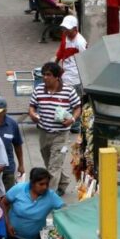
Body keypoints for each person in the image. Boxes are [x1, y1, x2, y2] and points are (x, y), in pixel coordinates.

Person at [28, 62, 79, 194]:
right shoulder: (39, 90)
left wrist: (72, 119)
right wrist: (33, 114)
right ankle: (64, 182)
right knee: (49, 163)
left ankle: (49, 195)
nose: (45, 77)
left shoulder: (68, 91)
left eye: (48, 75)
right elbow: (32, 106)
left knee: (53, 167)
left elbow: (78, 107)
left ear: (57, 77)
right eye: (44, 75)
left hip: (61, 135)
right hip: (44, 132)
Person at [0, 167, 64, 239]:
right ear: (32, 183)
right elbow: (3, 203)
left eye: (47, 184)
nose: (45, 187)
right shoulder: (19, 189)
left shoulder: (51, 196)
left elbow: (64, 209)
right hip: (12, 236)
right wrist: (7, 224)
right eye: (41, 184)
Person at [56, 15, 87, 92]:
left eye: (67, 29)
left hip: (75, 79)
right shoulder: (65, 36)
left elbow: (85, 62)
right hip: (65, 74)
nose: (65, 31)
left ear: (75, 28)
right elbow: (61, 51)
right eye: (64, 28)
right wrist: (55, 64)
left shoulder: (80, 43)